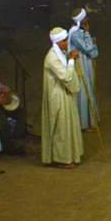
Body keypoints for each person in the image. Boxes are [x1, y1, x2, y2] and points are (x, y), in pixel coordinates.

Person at [41, 28, 84, 168]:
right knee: (61, 127)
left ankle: (70, 155)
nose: (67, 43)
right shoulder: (52, 58)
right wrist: (71, 61)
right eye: (64, 41)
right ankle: (61, 159)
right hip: (57, 95)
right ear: (58, 42)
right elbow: (65, 77)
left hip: (64, 93)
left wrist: (69, 58)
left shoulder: (61, 53)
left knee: (68, 124)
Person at [68, 8, 100, 130]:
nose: (87, 20)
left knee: (89, 87)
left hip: (86, 62)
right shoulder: (75, 34)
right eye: (85, 18)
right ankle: (84, 122)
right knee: (83, 90)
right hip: (80, 64)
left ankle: (91, 119)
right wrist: (87, 34)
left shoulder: (79, 31)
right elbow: (87, 48)